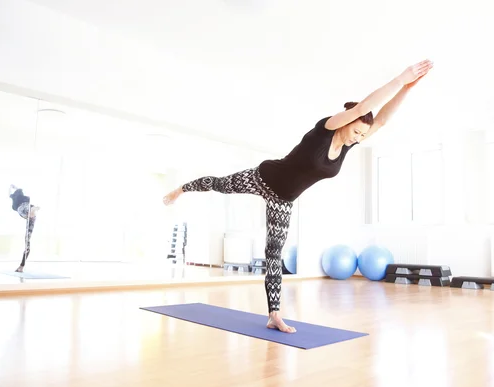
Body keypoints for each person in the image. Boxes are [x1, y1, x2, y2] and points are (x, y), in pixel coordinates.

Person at [163, 59, 434, 333]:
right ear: (346, 122)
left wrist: (407, 89)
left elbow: (383, 119)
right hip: (264, 177)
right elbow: (365, 107)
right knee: (221, 184)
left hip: (283, 199)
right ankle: (181, 189)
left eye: (362, 134)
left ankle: (274, 315)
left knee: (273, 252)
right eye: (356, 130)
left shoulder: (348, 146)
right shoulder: (324, 130)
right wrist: (401, 78)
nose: (358, 137)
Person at [9, 185, 40, 272]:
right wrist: (14, 187)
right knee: (27, 241)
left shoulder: (14, 198)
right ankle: (21, 266)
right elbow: (18, 189)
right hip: (29, 211)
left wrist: (12, 188)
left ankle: (21, 266)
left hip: (23, 210)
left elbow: (11, 192)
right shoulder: (22, 197)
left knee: (27, 241)